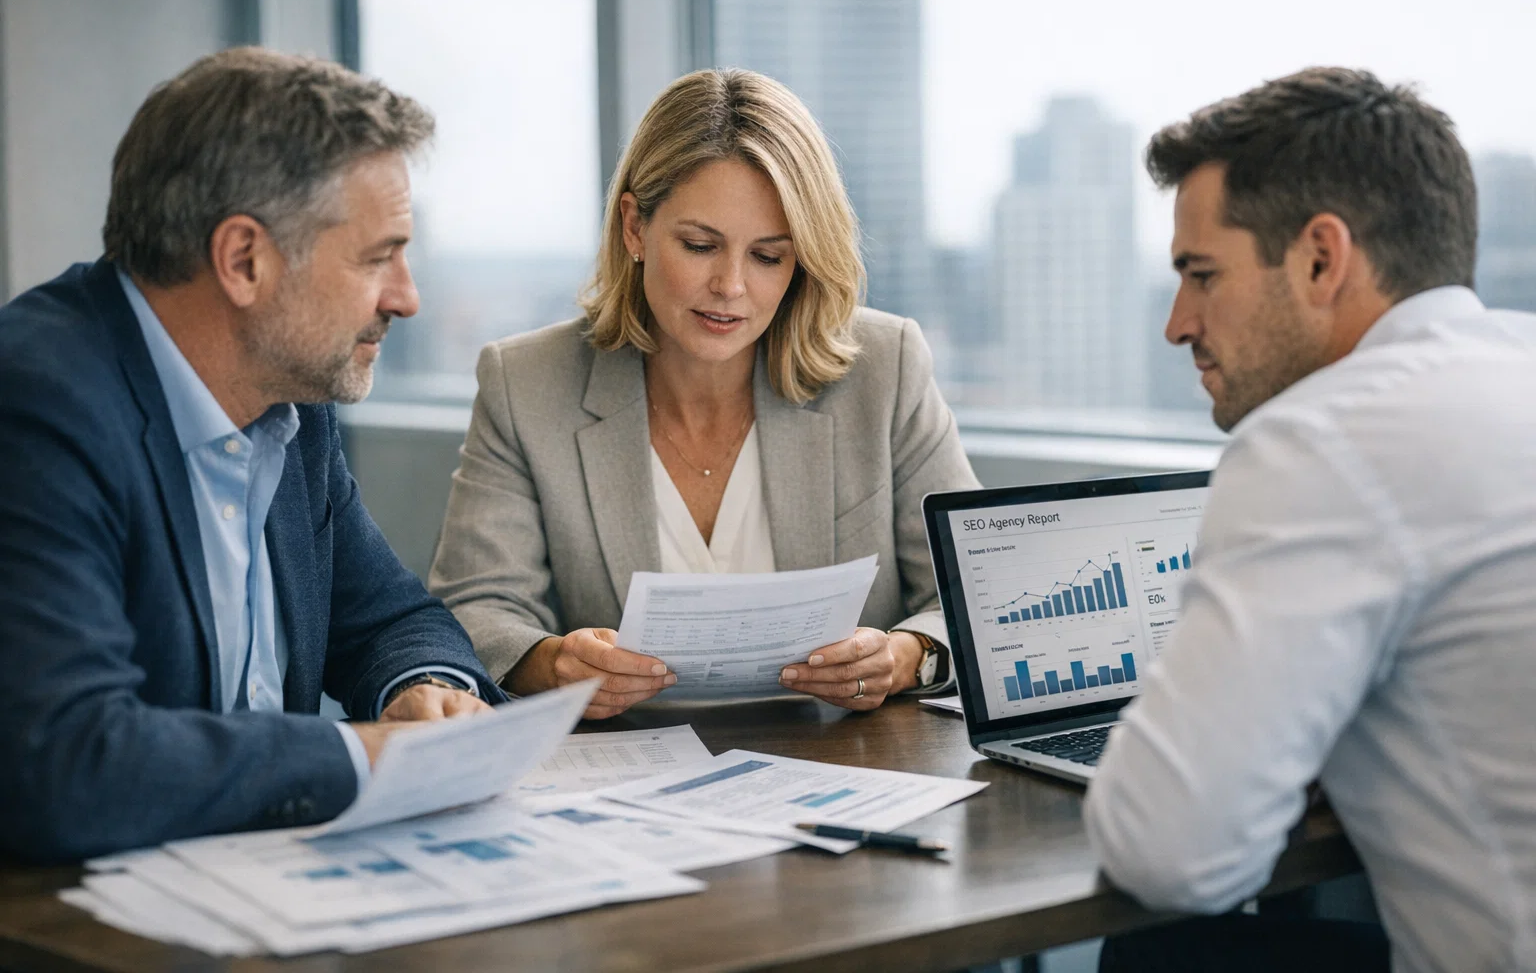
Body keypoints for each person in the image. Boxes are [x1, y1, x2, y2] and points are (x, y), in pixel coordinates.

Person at [0, 47, 506, 863]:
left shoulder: (288, 397)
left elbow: (392, 618)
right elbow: (67, 760)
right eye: (379, 257)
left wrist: (425, 691)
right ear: (244, 260)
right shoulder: (38, 405)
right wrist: (368, 758)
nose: (406, 297)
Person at [1084, 68, 1536, 973]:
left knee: (1162, 956)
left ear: (1321, 259)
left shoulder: (1322, 439)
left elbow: (1170, 854)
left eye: (1201, 274)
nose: (1178, 324)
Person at [428, 68, 979, 719]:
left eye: (768, 256)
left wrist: (906, 655)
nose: (731, 287)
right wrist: (554, 664)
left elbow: (973, 590)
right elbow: (478, 607)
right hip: (626, 784)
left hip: (851, 767)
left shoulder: (884, 367)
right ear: (634, 227)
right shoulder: (526, 383)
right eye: (700, 245)